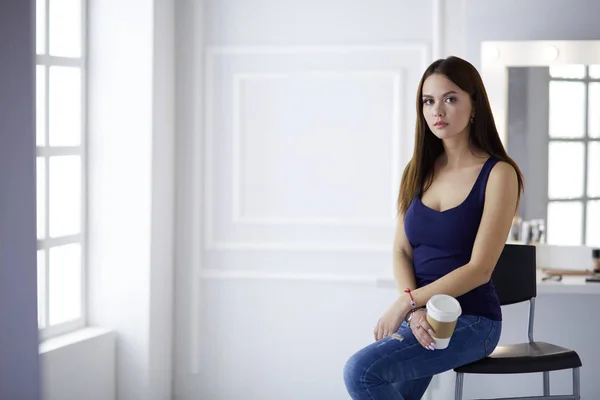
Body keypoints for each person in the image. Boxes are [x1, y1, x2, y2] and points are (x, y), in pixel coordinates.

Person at [343, 56, 524, 399]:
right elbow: (401, 249)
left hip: (473, 321)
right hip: (423, 316)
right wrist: (415, 311)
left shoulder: (499, 174)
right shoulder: (419, 169)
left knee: (362, 371)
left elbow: (479, 269)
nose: (437, 110)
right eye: (429, 101)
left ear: (474, 107)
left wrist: (407, 302)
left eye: (450, 98)